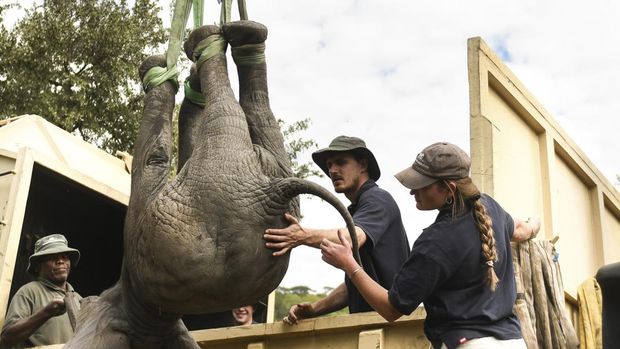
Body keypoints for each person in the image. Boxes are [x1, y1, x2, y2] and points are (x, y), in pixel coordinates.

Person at [320, 142, 541, 349]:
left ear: (448, 189)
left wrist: (350, 265)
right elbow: (521, 230)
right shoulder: (490, 207)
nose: (412, 191)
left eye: (420, 184)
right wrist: (535, 225)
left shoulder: (435, 242)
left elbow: (391, 309)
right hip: (514, 342)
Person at [264, 135, 410, 324]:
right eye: (329, 165)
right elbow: (356, 282)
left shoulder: (377, 199)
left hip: (394, 328)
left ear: (363, 165)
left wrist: (301, 236)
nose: (332, 170)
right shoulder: (358, 208)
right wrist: (315, 309)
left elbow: (351, 238)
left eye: (341, 162)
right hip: (374, 326)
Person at [1, 234, 82, 348]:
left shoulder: (78, 299)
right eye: (52, 257)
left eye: (64, 256)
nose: (60, 261)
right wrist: (47, 312)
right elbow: (6, 339)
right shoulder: (29, 291)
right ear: (37, 267)